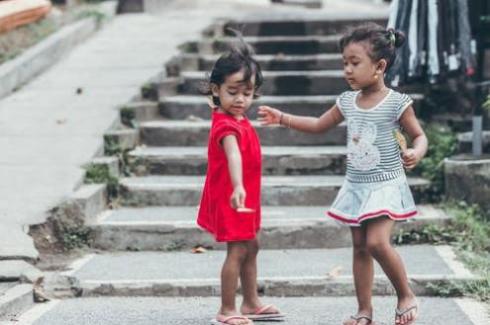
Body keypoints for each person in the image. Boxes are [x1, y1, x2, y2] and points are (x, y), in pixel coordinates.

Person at [258, 23, 428, 325]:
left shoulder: (397, 103)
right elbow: (317, 124)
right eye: (344, 63)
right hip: (357, 185)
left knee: (376, 243)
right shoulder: (347, 101)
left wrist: (416, 152)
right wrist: (282, 118)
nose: (347, 70)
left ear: (379, 66)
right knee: (360, 247)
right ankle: (364, 311)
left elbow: (419, 137)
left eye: (354, 63)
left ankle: (405, 294)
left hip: (386, 184)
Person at [197, 30, 284, 325]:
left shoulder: (238, 118)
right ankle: (226, 308)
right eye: (233, 91)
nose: (240, 99)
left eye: (247, 93)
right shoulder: (225, 125)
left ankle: (250, 301)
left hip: (247, 195)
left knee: (253, 245)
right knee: (237, 250)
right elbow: (233, 154)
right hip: (233, 196)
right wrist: (237, 186)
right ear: (215, 89)